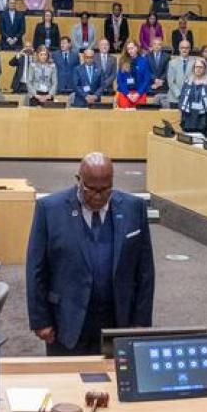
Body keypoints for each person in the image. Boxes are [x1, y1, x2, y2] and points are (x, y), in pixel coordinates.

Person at [21, 152, 154, 355]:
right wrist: (40, 320)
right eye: (91, 189)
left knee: (117, 380)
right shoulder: (49, 209)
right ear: (78, 180)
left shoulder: (133, 208)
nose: (99, 196)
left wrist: (141, 322)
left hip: (118, 320)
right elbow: (36, 269)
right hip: (65, 321)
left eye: (105, 189)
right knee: (66, 381)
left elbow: (145, 271)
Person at [177, 58, 207, 135]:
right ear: (193, 68)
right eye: (196, 67)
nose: (198, 69)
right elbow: (182, 98)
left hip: (202, 118)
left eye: (201, 67)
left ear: (205, 69)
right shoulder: (188, 81)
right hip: (189, 116)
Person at [113, 42, 151, 109]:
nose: (130, 51)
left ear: (136, 48)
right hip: (125, 94)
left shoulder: (144, 61)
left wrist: (138, 94)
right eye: (128, 49)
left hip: (140, 93)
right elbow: (119, 80)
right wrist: (128, 94)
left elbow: (146, 79)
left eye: (132, 48)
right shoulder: (123, 61)